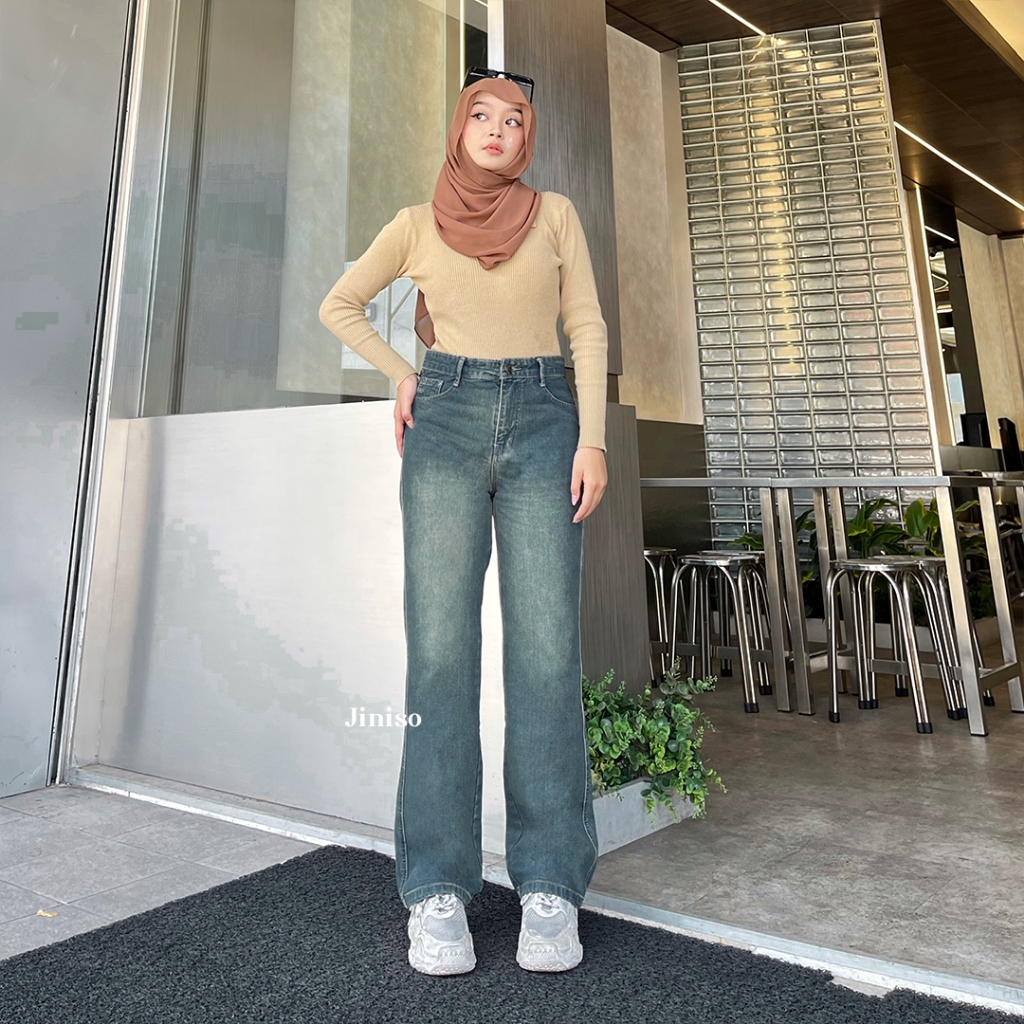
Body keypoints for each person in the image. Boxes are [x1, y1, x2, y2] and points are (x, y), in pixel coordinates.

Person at [319, 73, 609, 976]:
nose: (496, 127)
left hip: (547, 420)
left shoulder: (555, 215)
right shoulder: (414, 224)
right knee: (440, 656)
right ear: (459, 130)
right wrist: (405, 373)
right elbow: (339, 305)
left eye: (513, 118)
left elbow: (586, 326)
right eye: (480, 114)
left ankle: (551, 885)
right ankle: (436, 887)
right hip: (443, 423)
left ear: (527, 139)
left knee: (546, 655)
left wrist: (592, 440)